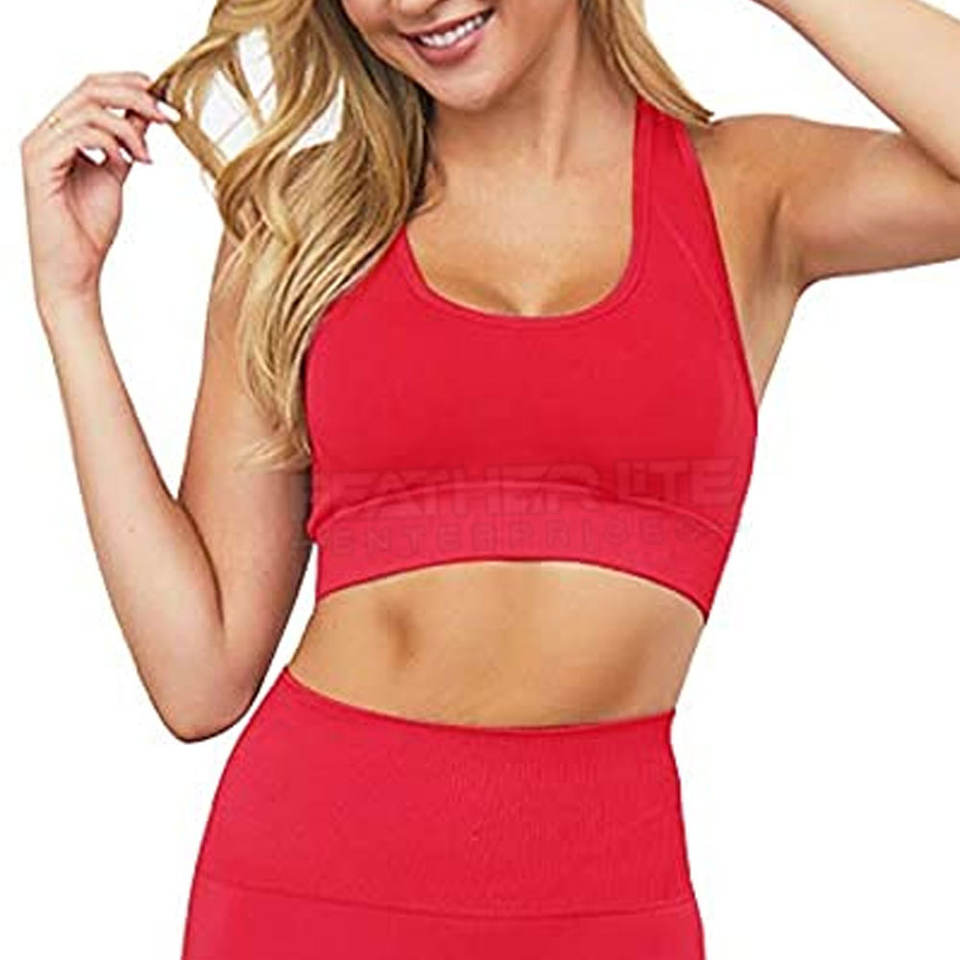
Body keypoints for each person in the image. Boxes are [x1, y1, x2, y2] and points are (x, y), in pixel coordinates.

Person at [20, 1, 960, 957]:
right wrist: (69, 302)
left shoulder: (751, 190)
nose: (408, 3)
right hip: (311, 885)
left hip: (605, 901)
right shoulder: (305, 223)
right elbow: (199, 677)